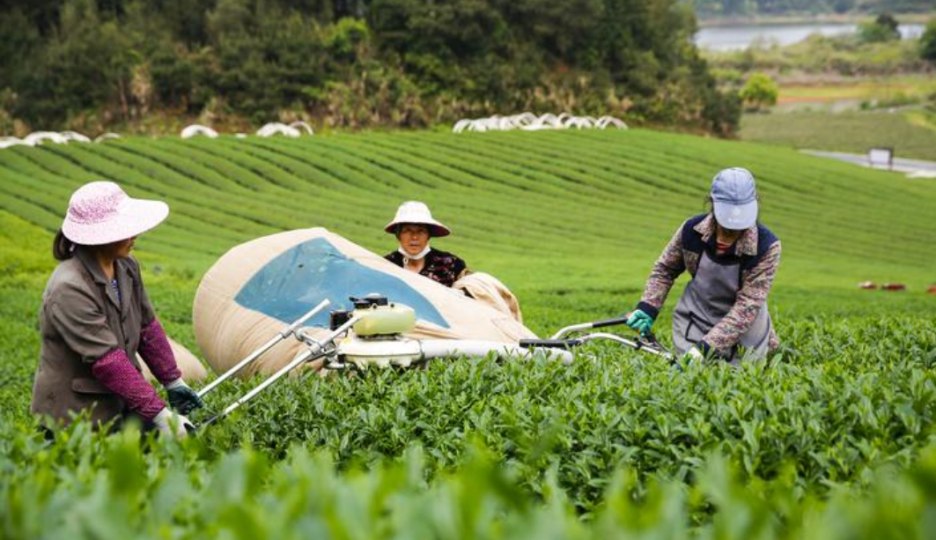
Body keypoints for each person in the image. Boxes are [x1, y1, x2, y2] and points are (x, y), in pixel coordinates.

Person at [32, 181, 203, 437]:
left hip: (121, 399)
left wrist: (172, 380)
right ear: (100, 236)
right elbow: (107, 360)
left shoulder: (126, 266)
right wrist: (159, 415)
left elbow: (147, 327)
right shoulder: (69, 287)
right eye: (125, 228)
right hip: (77, 414)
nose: (135, 234)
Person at [626, 168, 781, 363]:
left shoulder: (766, 246)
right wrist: (648, 306)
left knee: (744, 376)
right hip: (700, 315)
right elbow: (665, 269)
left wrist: (705, 348)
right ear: (713, 204)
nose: (733, 231)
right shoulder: (691, 231)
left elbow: (748, 305)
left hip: (746, 325)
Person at [384, 201, 468, 288]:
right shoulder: (386, 265)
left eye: (421, 231)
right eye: (407, 231)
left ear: (428, 235)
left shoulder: (450, 264)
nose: (414, 237)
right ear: (398, 235)